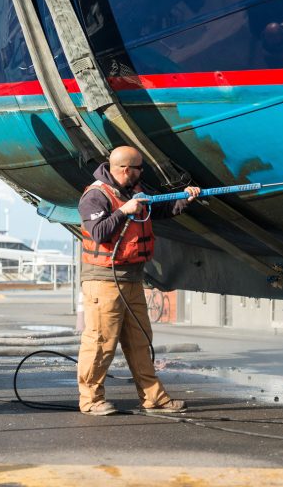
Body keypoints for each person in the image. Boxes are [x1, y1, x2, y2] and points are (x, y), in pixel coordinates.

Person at [77, 145, 200, 416]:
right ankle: (91, 400)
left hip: (132, 278)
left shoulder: (135, 189)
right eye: (138, 168)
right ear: (125, 169)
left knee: (140, 341)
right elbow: (98, 232)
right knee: (100, 342)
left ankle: (154, 398)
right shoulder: (95, 195)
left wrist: (186, 198)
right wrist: (124, 211)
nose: (141, 172)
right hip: (104, 281)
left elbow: (162, 208)